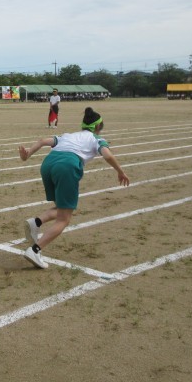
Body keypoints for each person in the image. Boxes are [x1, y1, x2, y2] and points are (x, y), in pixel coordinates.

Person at [18, 107, 130, 269]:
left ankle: (35, 222)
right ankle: (35, 250)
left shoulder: (68, 135)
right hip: (67, 166)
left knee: (62, 207)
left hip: (48, 164)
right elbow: (108, 155)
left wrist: (26, 155)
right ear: (98, 127)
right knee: (64, 219)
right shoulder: (97, 139)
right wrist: (120, 172)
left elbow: (42, 141)